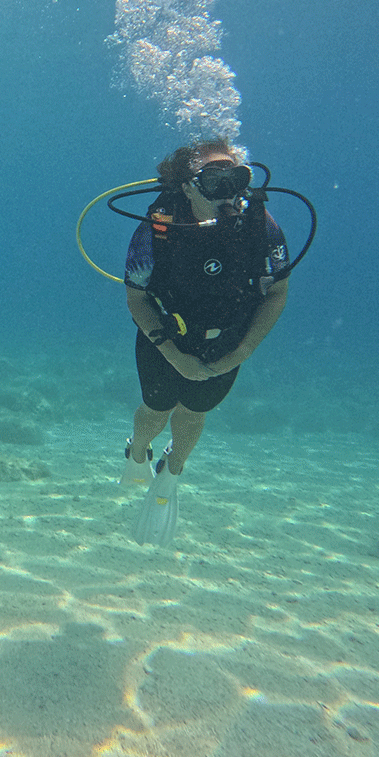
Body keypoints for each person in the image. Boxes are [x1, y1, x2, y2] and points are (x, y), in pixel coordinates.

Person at [122, 139, 290, 546]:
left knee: (195, 411)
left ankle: (172, 471)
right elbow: (137, 298)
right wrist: (172, 353)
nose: (229, 193)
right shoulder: (157, 228)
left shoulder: (261, 225)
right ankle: (138, 451)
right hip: (164, 334)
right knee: (157, 407)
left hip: (228, 340)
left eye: (236, 178)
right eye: (215, 182)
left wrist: (244, 350)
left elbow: (278, 292)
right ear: (188, 186)